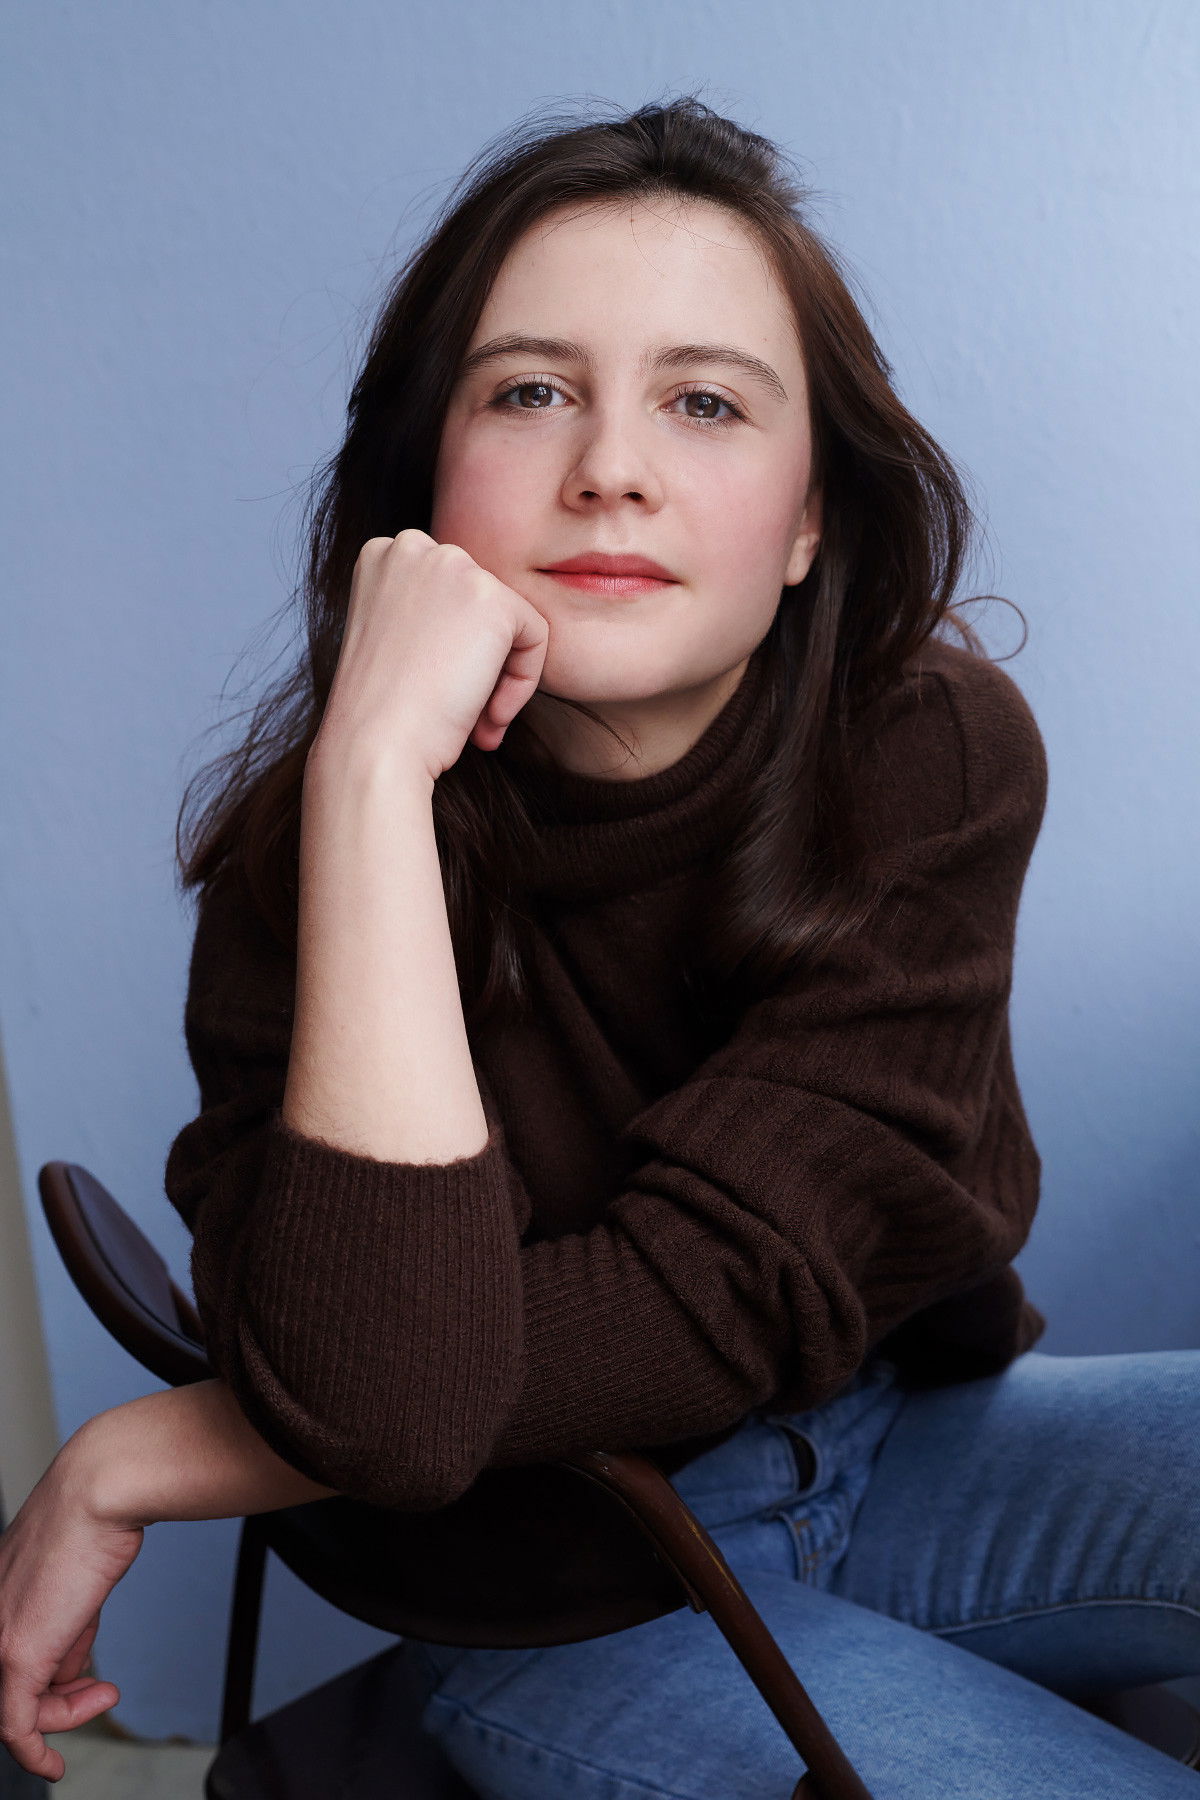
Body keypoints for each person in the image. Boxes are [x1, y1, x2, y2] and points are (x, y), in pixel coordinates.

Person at [1, 93, 1197, 1798]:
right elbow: (392, 1404)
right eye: (530, 391)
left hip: (901, 1446)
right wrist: (369, 781)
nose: (610, 468)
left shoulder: (927, 750)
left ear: (808, 521)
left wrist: (161, 1448)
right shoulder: (312, 853)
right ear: (423, 492)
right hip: (558, 1605)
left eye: (704, 402)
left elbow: (720, 1294)